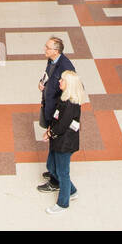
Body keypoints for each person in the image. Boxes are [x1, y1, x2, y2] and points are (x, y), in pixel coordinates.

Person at [42, 69, 87, 214]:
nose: (59, 81)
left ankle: (63, 203)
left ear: (69, 84)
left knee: (62, 173)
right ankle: (72, 191)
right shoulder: (64, 98)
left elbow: (62, 125)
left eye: (62, 80)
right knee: (53, 167)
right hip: (58, 140)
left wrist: (49, 133)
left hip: (64, 143)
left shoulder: (70, 105)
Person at [36, 38, 75, 196]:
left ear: (56, 51)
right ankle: (52, 171)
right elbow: (47, 75)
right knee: (53, 144)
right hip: (50, 108)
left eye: (48, 47)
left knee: (56, 145)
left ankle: (55, 179)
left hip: (57, 112)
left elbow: (73, 89)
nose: (45, 49)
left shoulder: (66, 67)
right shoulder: (51, 60)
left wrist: (58, 112)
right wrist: (42, 83)